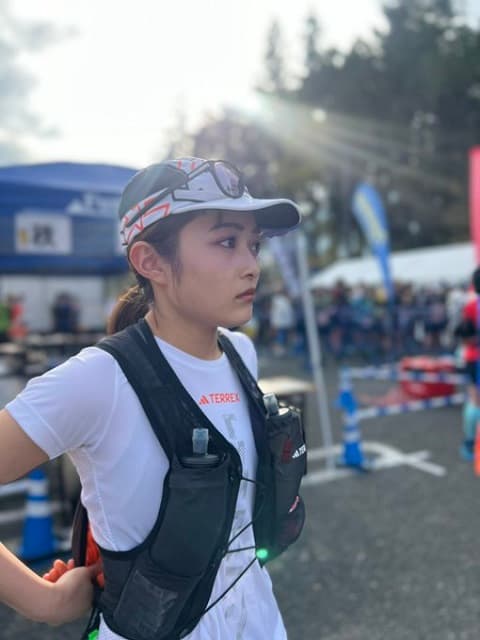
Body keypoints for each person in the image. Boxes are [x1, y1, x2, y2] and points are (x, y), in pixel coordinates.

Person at [0, 157, 302, 639]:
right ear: (150, 262)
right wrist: (44, 601)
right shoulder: (99, 379)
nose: (251, 265)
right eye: (227, 242)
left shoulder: (240, 353)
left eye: (254, 245)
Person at [455, 267, 480, 460]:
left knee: (475, 400)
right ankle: (470, 443)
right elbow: (464, 336)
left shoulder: (471, 306)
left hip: (473, 358)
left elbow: (463, 336)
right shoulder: (472, 306)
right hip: (475, 359)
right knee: (475, 400)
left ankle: (470, 442)